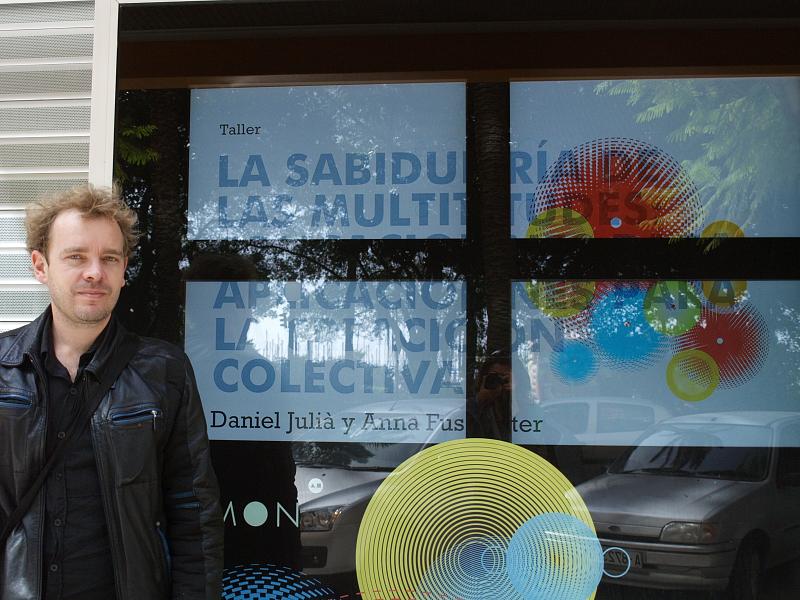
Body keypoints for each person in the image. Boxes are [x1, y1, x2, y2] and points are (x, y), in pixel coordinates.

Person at [0, 185, 223, 599]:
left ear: (124, 270)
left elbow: (194, 515)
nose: (94, 272)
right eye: (76, 257)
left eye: (109, 258)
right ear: (40, 265)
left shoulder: (165, 371)